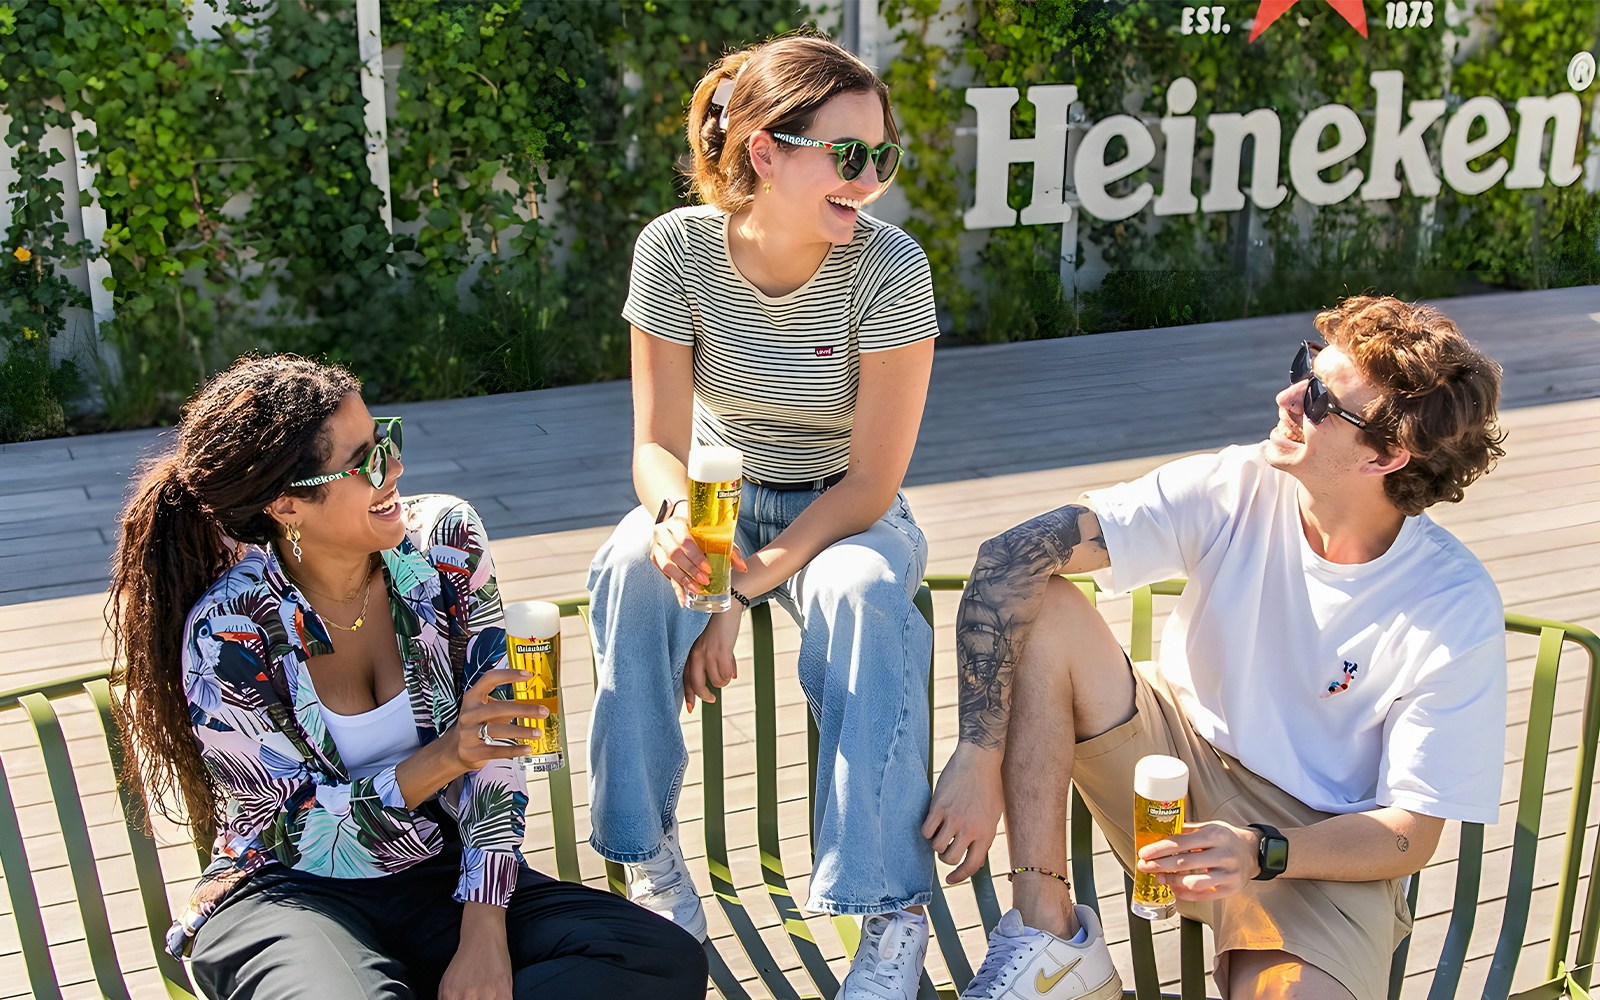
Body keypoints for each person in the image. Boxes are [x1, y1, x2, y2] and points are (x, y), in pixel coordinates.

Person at [922, 296, 1508, 1000]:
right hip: (1166, 763)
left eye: (1321, 398)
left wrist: (1264, 851)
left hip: (1317, 846)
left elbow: (1410, 834)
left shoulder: (1451, 604)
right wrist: (976, 755)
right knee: (1044, 600)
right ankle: (1052, 941)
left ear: (1386, 455)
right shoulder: (1233, 485)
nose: (1289, 396)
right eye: (1304, 369)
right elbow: (1010, 556)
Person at [107, 355, 707, 1000]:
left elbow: (497, 756)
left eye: (386, 439)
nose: (395, 468)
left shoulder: (445, 544)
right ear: (287, 505)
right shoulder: (230, 629)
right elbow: (298, 831)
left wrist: (484, 932)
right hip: (291, 889)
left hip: (442, 867)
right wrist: (446, 756)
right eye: (365, 461)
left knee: (656, 958)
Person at [585, 33, 940, 1000]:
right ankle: (649, 861)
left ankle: (887, 914)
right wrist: (675, 524)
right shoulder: (675, 249)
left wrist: (737, 588)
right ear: (764, 151)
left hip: (845, 511)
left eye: (882, 156)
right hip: (715, 490)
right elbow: (654, 445)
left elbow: (871, 483)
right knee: (627, 569)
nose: (869, 180)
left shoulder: (890, 268)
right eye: (847, 154)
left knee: (868, 594)